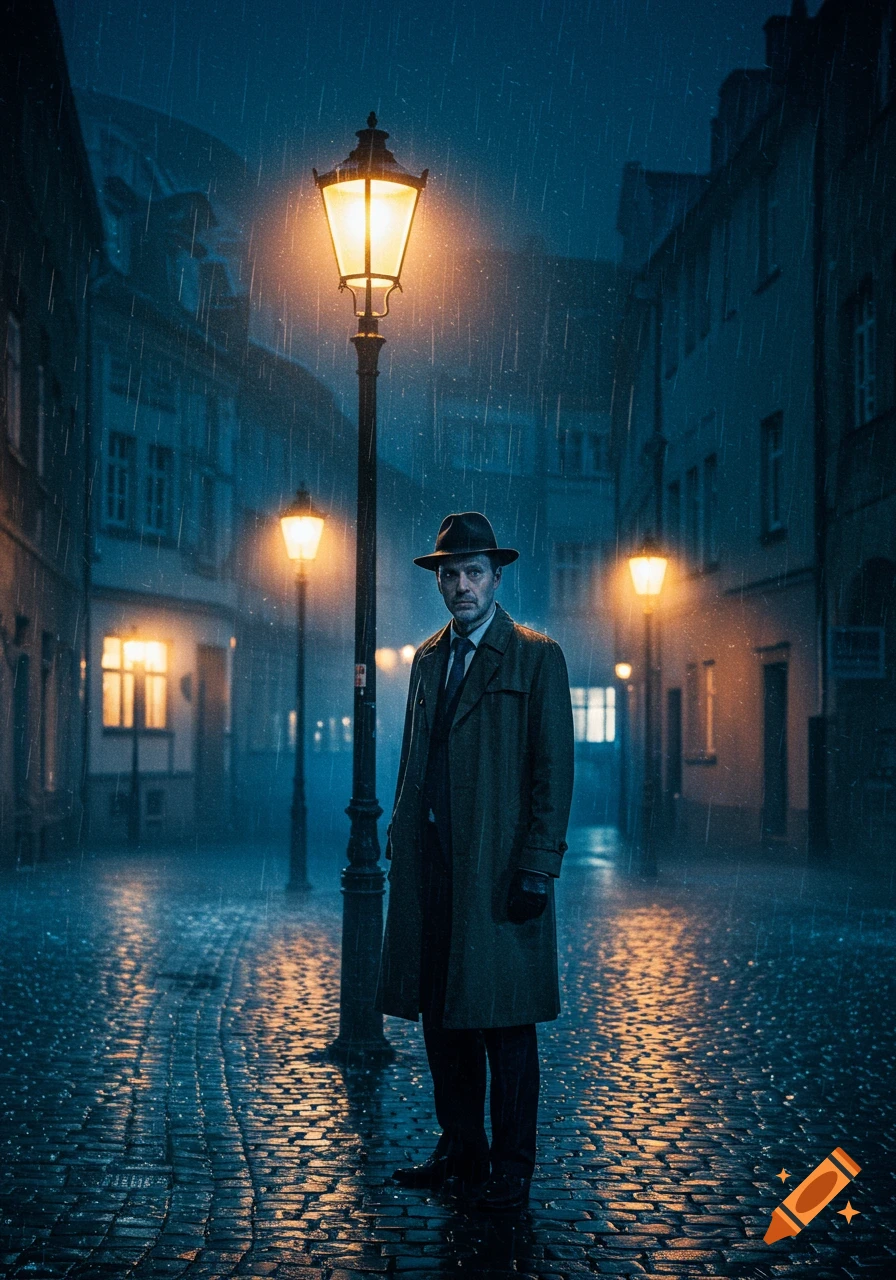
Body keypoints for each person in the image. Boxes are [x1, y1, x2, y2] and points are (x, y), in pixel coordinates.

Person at [376, 511, 574, 1212]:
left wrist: (537, 866)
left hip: (498, 866)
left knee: (505, 1021)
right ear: (440, 583)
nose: (462, 585)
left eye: (473, 573)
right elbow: (414, 756)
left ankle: (513, 1166)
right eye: (450, 575)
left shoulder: (535, 656)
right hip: (432, 866)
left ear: (496, 577)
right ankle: (462, 1148)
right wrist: (401, 834)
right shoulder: (429, 659)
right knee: (443, 1013)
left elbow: (554, 772)